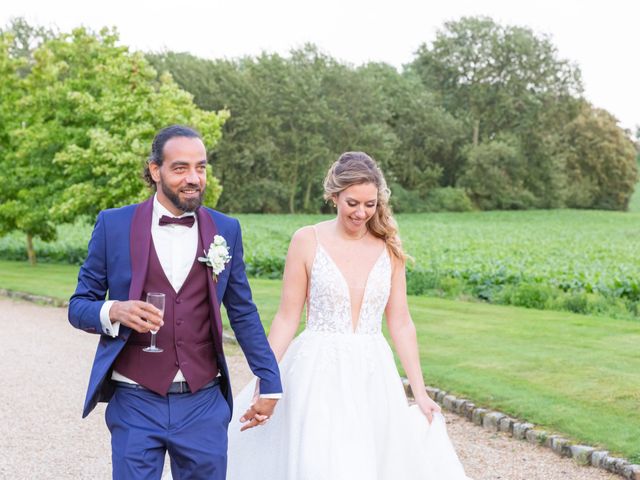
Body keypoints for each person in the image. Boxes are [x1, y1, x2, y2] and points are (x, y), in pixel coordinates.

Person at [226, 152, 470, 479]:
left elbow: (400, 322)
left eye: (370, 205)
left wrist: (420, 392)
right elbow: (287, 318)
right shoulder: (306, 240)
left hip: (373, 372)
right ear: (334, 196)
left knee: (367, 462)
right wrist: (265, 379)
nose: (361, 213)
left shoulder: (389, 248)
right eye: (352, 203)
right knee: (318, 461)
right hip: (316, 371)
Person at [68, 125, 282, 480]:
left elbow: (242, 312)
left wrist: (270, 380)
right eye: (181, 168)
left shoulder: (225, 230)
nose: (194, 178)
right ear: (156, 171)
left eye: (201, 167)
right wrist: (114, 310)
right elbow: (79, 305)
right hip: (135, 399)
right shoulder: (113, 225)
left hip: (203, 401)